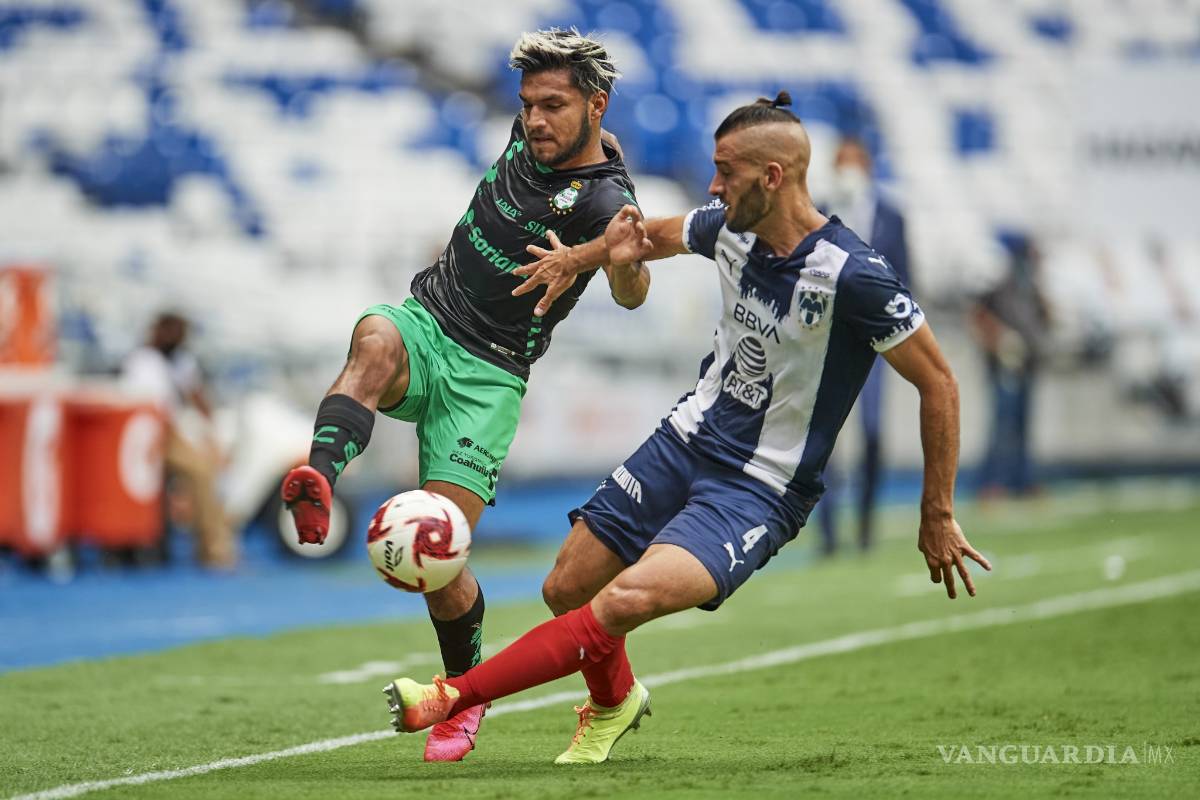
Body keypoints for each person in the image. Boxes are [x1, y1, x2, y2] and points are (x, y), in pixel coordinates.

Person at [382, 93, 991, 764]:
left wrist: (937, 511)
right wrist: (580, 260)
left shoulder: (853, 274)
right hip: (686, 440)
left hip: (759, 487)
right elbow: (641, 238)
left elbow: (939, 381)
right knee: (565, 587)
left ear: (773, 178)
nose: (712, 185)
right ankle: (615, 701)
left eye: (726, 171)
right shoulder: (724, 225)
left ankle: (453, 698)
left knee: (626, 599)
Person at [279, 29, 649, 762]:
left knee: (437, 556)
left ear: (597, 106)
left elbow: (633, 293)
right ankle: (320, 471)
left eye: (553, 105)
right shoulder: (530, 135)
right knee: (375, 340)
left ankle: (462, 697)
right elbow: (533, 120)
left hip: (489, 375)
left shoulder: (608, 199)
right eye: (527, 105)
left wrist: (624, 262)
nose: (535, 120)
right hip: (429, 321)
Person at [815, 135, 912, 553]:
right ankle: (829, 533)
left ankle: (867, 525)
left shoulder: (892, 216)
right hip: (826, 342)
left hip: (874, 339)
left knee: (872, 433)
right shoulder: (818, 211)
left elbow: (904, 276)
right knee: (824, 438)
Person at [121, 312, 235, 568]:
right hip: (150, 431)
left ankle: (215, 545)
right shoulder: (141, 362)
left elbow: (196, 395)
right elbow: (148, 406)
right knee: (201, 472)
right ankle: (213, 548)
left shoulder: (180, 360)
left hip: (173, 429)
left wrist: (212, 430)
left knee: (210, 472)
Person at [972, 233, 1050, 498]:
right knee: (1003, 424)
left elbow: (1043, 316)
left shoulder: (1030, 286)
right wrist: (1001, 342)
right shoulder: (997, 283)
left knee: (1023, 424)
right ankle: (993, 483)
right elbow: (978, 316)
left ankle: (1022, 482)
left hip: (1028, 363)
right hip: (1004, 365)